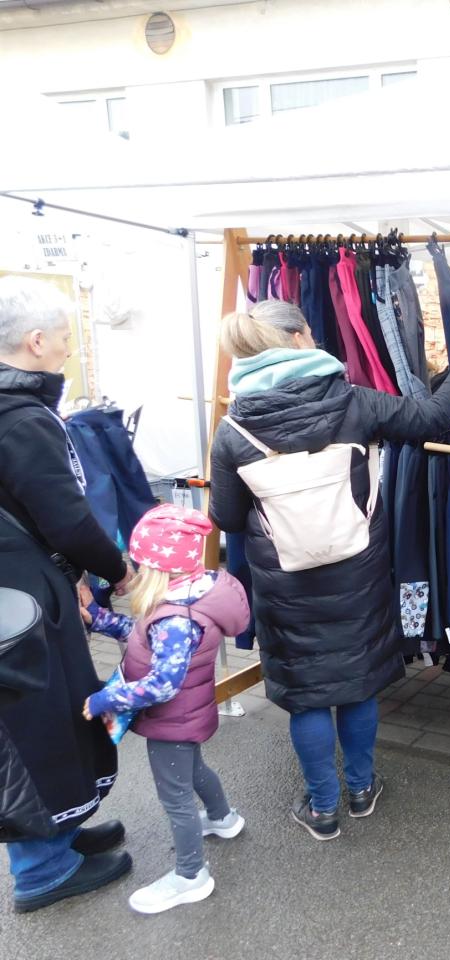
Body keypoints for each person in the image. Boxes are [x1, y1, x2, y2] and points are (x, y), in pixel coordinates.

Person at [210, 300, 450, 841]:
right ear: (299, 338)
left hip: (285, 583)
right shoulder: (354, 401)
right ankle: (361, 790)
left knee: (306, 693)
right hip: (357, 570)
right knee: (357, 683)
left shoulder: (234, 428)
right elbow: (432, 419)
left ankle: (323, 809)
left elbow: (226, 518)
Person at [0, 276, 135, 912]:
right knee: (35, 724)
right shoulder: (22, 419)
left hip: (23, 587)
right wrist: (116, 569)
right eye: (62, 338)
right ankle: (42, 869)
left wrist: (75, 574)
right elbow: (67, 518)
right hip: (20, 600)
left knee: (49, 715)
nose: (68, 350)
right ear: (35, 342)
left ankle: (63, 829)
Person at [82, 504, 249, 914]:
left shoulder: (176, 618)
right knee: (195, 771)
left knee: (176, 798)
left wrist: (105, 699)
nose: (135, 571)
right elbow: (144, 637)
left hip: (172, 723)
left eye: (139, 564)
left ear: (158, 569)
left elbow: (162, 684)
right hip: (188, 716)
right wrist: (100, 619)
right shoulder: (190, 594)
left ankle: (190, 877)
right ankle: (223, 819)